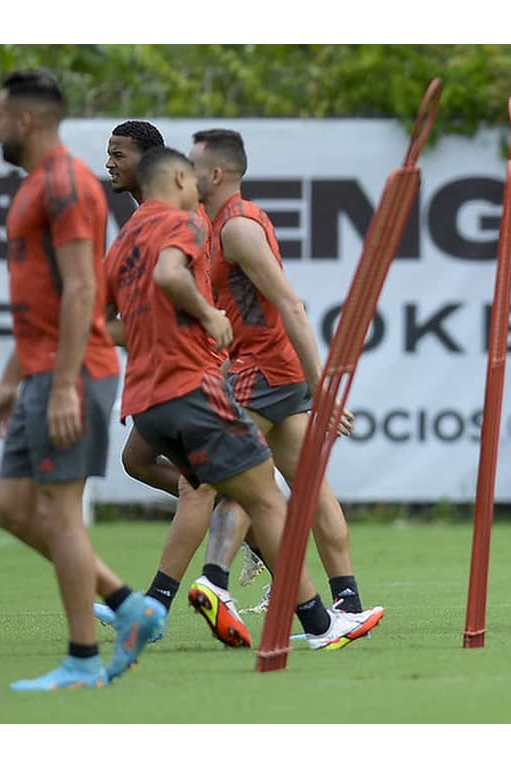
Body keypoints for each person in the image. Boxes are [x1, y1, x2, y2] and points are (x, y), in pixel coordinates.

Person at [103, 144, 383, 650]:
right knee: (260, 492)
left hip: (251, 373)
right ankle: (324, 612)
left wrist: (319, 387)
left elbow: (288, 305)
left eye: (118, 156)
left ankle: (204, 588)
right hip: (240, 373)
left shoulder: (211, 227)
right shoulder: (186, 225)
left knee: (230, 489)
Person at [0, 69, 164, 691]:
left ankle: (84, 659)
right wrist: (12, 378)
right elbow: (41, 298)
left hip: (72, 376)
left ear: (24, 121)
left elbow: (83, 289)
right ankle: (128, 603)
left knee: (60, 515)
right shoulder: (38, 185)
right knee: (11, 510)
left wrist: (60, 385)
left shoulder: (65, 185)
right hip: (38, 372)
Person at [186, 128, 370, 618]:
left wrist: (322, 388)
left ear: (218, 174)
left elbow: (291, 303)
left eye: (194, 165)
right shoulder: (225, 220)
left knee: (235, 480)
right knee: (309, 484)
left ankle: (215, 582)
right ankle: (348, 600)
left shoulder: (238, 228)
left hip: (264, 372)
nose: (186, 173)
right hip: (273, 372)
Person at [95, 120, 251, 649]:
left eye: (118, 153)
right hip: (164, 372)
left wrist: (216, 329)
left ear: (152, 161)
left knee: (199, 485)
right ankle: (246, 535)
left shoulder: (184, 217)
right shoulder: (140, 223)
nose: (109, 162)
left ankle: (156, 605)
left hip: (202, 366)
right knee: (138, 462)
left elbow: (194, 283)